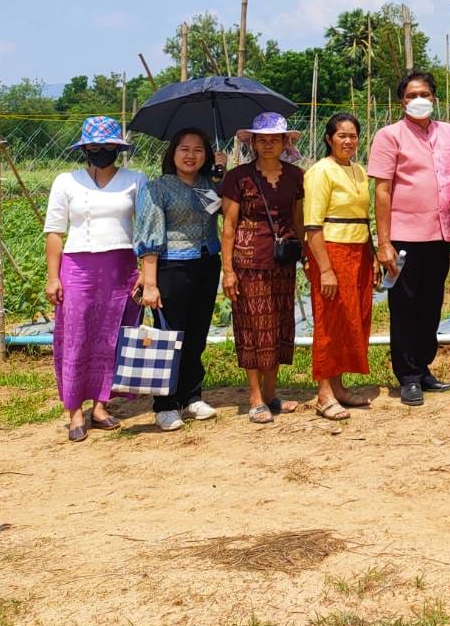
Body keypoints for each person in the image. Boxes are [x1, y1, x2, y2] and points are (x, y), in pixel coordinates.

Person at [43, 116, 146, 442]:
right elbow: (55, 232)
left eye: (108, 146)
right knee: (76, 335)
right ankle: (74, 410)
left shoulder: (135, 180)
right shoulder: (66, 182)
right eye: (95, 146)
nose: (101, 150)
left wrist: (145, 270)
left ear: (118, 148)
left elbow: (145, 229)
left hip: (122, 267)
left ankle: (101, 405)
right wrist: (53, 277)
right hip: (77, 269)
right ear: (84, 148)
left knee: (113, 335)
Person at [368, 70, 450, 406]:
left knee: (431, 304)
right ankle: (407, 375)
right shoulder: (389, 136)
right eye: (411, 95)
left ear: (434, 98)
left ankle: (424, 367)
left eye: (424, 93)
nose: (418, 100)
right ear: (402, 101)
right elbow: (382, 191)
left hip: (440, 234)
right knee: (405, 307)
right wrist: (384, 243)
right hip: (404, 237)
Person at [133, 127, 223, 431]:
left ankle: (191, 396)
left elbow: (222, 212)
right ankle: (165, 404)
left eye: (199, 150)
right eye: (185, 149)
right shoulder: (158, 188)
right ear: (173, 153)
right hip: (173, 268)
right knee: (169, 336)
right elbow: (150, 236)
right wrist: (150, 282)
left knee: (197, 336)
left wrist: (221, 173)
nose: (191, 155)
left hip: (207, 264)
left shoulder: (208, 185)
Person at [220, 112, 306, 424]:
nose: (268, 145)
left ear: (285, 142)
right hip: (248, 261)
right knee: (253, 328)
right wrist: (228, 270)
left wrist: (305, 254)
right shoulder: (238, 177)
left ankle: (272, 394)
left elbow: (297, 219)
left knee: (280, 326)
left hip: (282, 262)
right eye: (262, 139)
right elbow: (228, 226)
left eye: (274, 139)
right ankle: (255, 396)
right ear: (253, 143)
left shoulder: (296, 176)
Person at [304, 112, 375, 422]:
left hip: (359, 250)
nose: (348, 140)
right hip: (331, 250)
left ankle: (339, 386)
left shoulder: (359, 171)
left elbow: (364, 218)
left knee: (353, 318)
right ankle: (324, 393)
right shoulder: (320, 172)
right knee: (329, 320)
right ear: (328, 139)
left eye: (353, 135)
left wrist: (372, 256)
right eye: (341, 135)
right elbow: (312, 224)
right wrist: (326, 268)